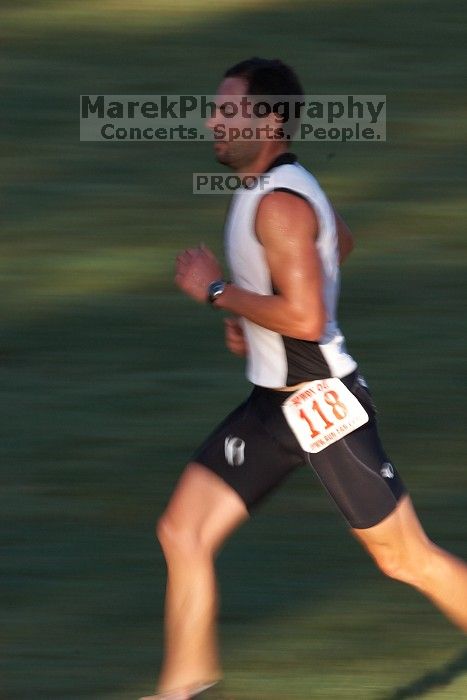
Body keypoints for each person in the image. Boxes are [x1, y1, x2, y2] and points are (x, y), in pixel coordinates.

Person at [140, 58, 467, 700]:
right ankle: (183, 690)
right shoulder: (270, 188)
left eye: (229, 111)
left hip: (323, 407)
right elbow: (337, 242)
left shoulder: (281, 205)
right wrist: (251, 313)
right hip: (272, 406)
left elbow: (308, 317)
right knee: (183, 531)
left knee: (405, 558)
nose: (214, 120)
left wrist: (217, 291)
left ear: (268, 120)